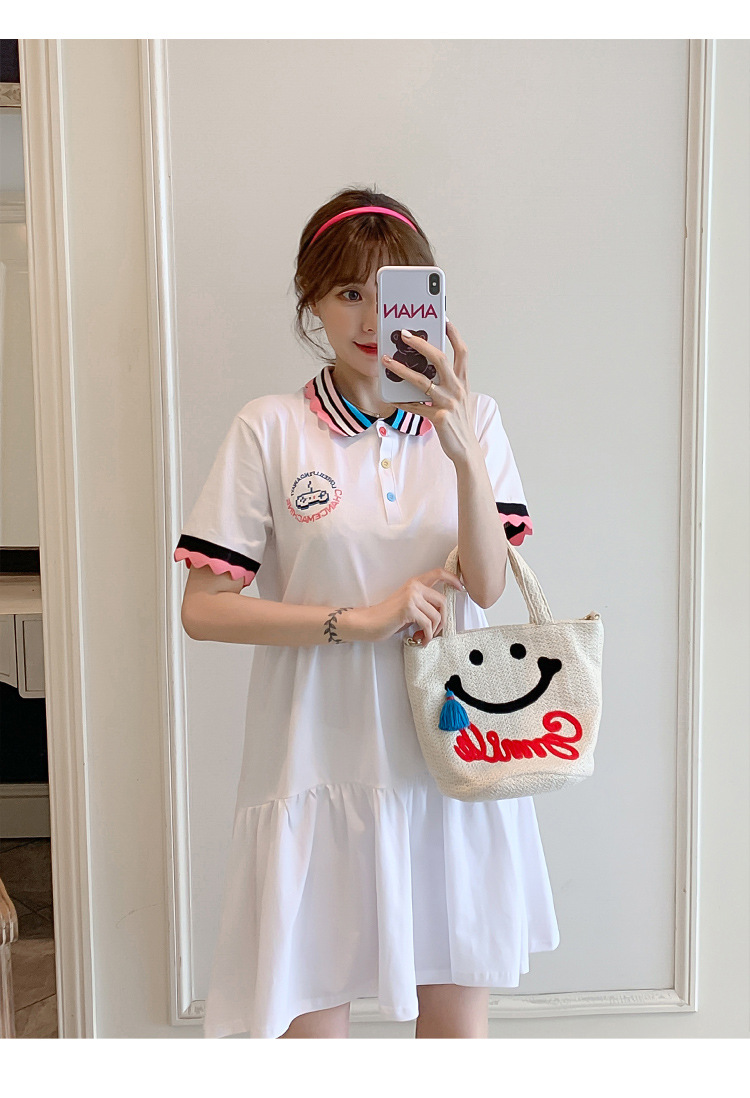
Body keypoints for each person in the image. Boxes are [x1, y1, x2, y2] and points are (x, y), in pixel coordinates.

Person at [174, 187, 560, 1039]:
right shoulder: (270, 430)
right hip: (319, 762)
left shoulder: (476, 420)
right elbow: (204, 609)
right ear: (311, 299)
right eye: (350, 292)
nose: (373, 318)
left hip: (451, 766)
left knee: (454, 1046)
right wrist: (359, 619)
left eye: (395, 295)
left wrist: (461, 448)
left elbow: (488, 586)